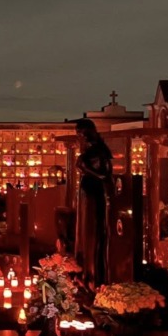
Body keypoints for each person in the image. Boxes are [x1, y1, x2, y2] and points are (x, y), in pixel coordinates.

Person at [75, 118, 114, 287]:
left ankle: (95, 276)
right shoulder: (90, 150)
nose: (80, 137)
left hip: (94, 189)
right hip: (88, 188)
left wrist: (86, 168)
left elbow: (104, 173)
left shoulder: (99, 150)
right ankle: (87, 273)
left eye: (82, 133)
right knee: (87, 228)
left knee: (94, 229)